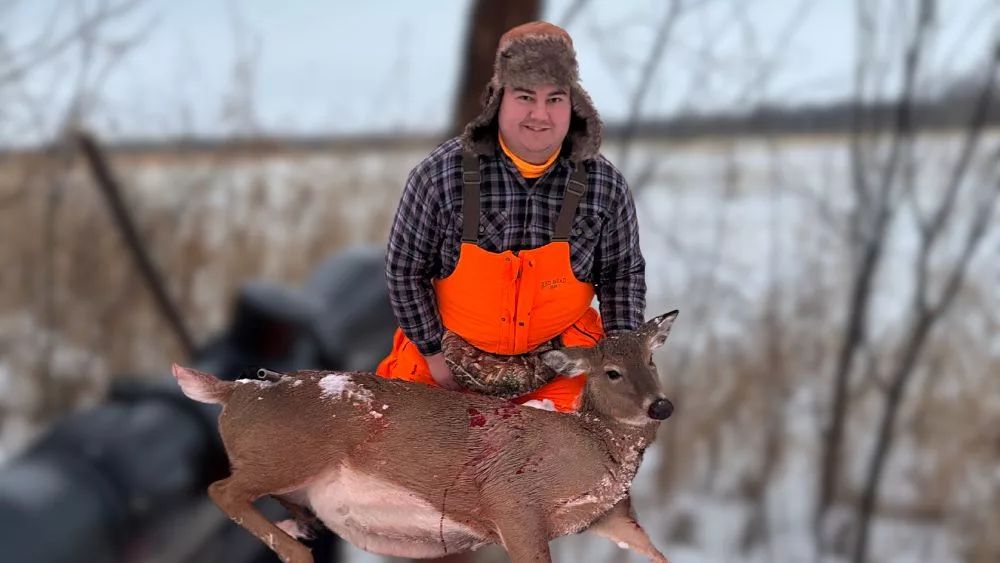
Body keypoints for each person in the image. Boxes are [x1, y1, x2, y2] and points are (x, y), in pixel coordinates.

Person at [376, 20, 646, 415]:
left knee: (576, 463)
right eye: (525, 97)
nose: (540, 114)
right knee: (401, 452)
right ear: (498, 99)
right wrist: (432, 352)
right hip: (444, 355)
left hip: (563, 363)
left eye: (555, 99)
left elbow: (622, 273)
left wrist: (622, 358)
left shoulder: (604, 185)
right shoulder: (439, 175)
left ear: (574, 104)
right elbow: (404, 269)